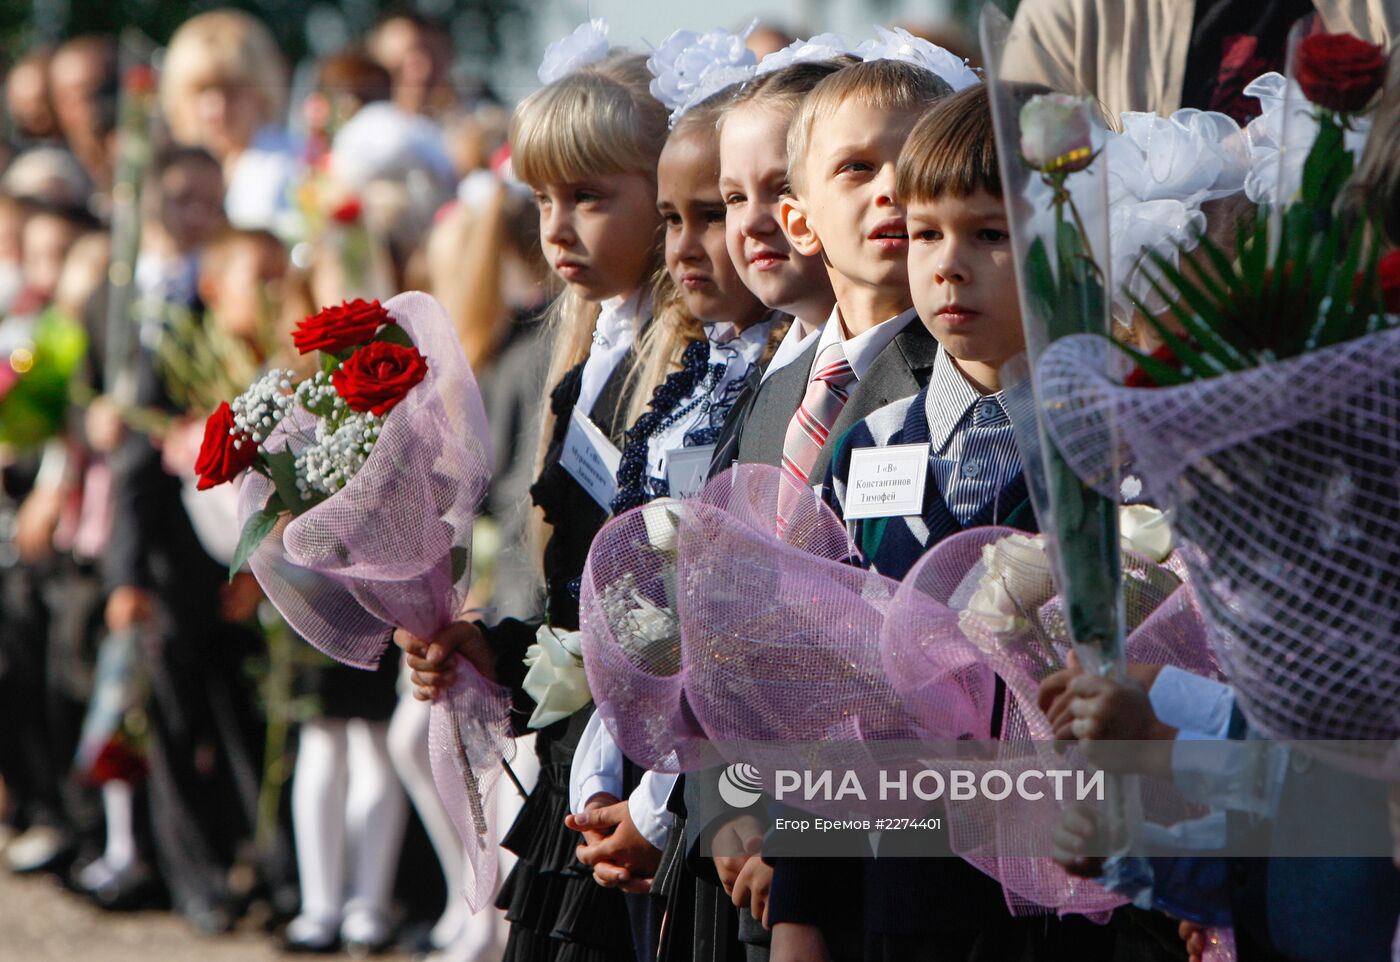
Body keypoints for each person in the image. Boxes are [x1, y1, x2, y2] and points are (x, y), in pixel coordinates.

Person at [394, 40, 669, 962]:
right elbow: (575, 614)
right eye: (543, 200)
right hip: (574, 774)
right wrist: (493, 646)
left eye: (591, 198)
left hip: (655, 788)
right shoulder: (582, 353)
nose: (557, 229)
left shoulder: (693, 372)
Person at [566, 74, 782, 962]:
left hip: (724, 793)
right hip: (644, 771)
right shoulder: (699, 370)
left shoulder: (773, 383)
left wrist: (666, 800)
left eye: (714, 212)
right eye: (671, 218)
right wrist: (605, 757)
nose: (687, 246)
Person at [160, 9, 298, 234]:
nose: (216, 108)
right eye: (201, 90)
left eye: (232, 90)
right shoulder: (161, 173)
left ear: (262, 94)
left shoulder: (295, 167)